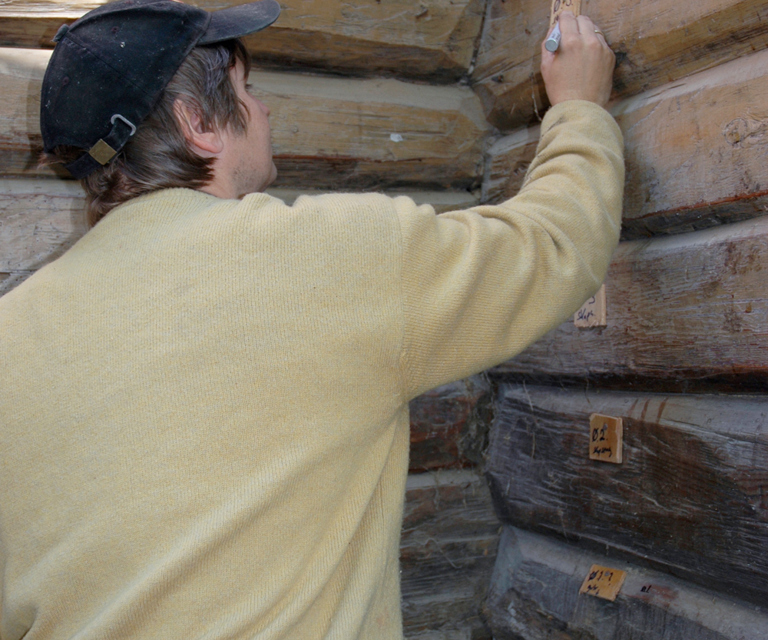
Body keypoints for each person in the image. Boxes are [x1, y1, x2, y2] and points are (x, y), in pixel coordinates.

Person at [0, 1, 621, 638]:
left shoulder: (10, 336)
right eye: (248, 90)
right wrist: (580, 106)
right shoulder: (328, 260)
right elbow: (551, 247)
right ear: (197, 124)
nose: (265, 110)